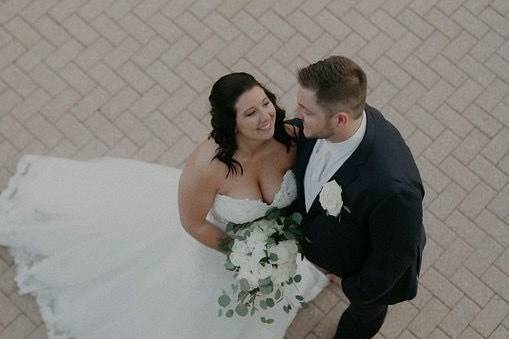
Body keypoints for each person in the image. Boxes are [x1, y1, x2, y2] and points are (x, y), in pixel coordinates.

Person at [0, 72, 328, 339]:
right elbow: (194, 223)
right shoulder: (205, 166)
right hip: (224, 252)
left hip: (278, 249)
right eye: (250, 113)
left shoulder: (290, 138)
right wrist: (244, 254)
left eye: (266, 103)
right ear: (231, 122)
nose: (265, 116)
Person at [290, 56, 426, 339]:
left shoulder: (393, 189)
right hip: (331, 244)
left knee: (366, 313)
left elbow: (394, 257)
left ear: (340, 120)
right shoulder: (337, 119)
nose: (296, 115)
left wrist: (354, 288)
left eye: (306, 110)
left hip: (362, 270)